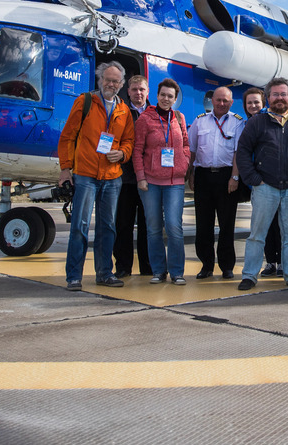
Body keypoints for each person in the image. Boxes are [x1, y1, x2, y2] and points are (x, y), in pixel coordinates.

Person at [58, 61, 135, 291]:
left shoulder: (124, 110)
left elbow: (129, 141)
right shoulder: (85, 102)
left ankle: (104, 273)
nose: (111, 84)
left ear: (121, 84)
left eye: (115, 81)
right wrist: (65, 168)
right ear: (100, 81)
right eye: (107, 80)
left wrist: (122, 154)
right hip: (86, 174)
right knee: (80, 226)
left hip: (112, 177)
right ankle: (74, 276)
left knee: (107, 227)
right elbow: (67, 136)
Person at [236, 77, 288, 291]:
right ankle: (249, 276)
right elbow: (243, 151)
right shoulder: (256, 122)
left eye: (283, 94)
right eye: (275, 94)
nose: (279, 98)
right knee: (257, 234)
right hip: (265, 186)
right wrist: (253, 179)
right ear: (268, 97)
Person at [133, 78, 191, 285]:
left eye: (170, 96)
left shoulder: (179, 118)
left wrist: (184, 163)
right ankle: (158, 270)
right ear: (157, 96)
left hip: (174, 182)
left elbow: (185, 143)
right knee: (153, 227)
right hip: (151, 182)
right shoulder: (145, 119)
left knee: (174, 226)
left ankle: (177, 272)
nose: (166, 99)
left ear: (175, 99)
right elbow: (137, 151)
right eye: (163, 95)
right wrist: (141, 177)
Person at [187, 85, 244, 280]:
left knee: (227, 223)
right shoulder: (200, 121)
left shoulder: (237, 123)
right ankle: (206, 265)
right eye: (218, 100)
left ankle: (227, 266)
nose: (221, 104)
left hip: (226, 177)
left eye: (225, 101)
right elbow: (192, 149)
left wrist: (234, 177)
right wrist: (191, 174)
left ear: (231, 103)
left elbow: (238, 153)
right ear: (212, 100)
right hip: (203, 176)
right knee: (203, 224)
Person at [241, 88, 283, 277]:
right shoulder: (245, 124)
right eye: (249, 103)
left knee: (279, 224)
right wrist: (253, 179)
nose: (253, 106)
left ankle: (282, 262)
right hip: (257, 183)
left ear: (264, 103)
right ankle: (270, 262)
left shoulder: (272, 121)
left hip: (275, 181)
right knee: (262, 224)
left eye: (256, 102)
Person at [113, 74, 151, 278]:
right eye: (134, 89)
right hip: (124, 178)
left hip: (149, 179)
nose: (138, 93)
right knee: (123, 224)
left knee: (149, 225)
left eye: (141, 89)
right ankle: (123, 267)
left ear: (148, 92)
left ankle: (148, 267)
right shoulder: (120, 112)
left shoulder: (155, 114)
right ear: (127, 92)